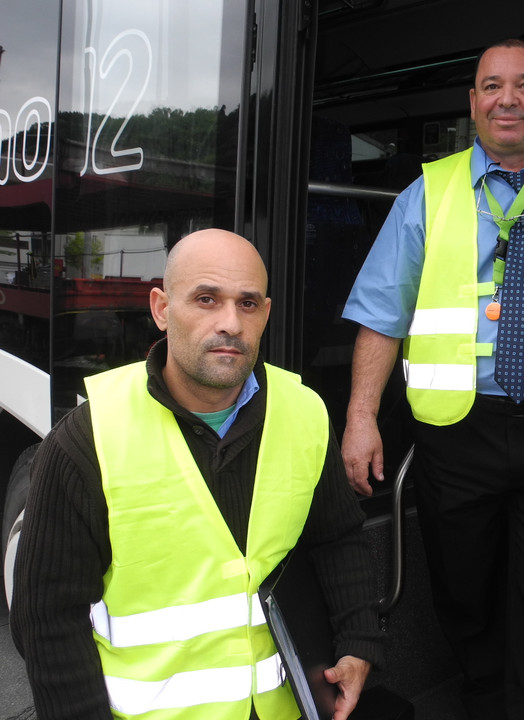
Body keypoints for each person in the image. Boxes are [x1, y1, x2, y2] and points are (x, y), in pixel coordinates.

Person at [11, 229, 384, 720]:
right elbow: (48, 623)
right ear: (162, 309)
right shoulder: (87, 438)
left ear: (266, 313)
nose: (230, 323)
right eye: (206, 299)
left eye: (247, 304)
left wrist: (358, 642)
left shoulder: (305, 411)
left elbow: (338, 538)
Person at [341, 38, 524, 720]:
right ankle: (486, 705)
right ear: (473, 102)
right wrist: (361, 417)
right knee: (465, 596)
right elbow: (381, 314)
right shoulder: (426, 193)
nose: (506, 99)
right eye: (492, 86)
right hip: (459, 434)